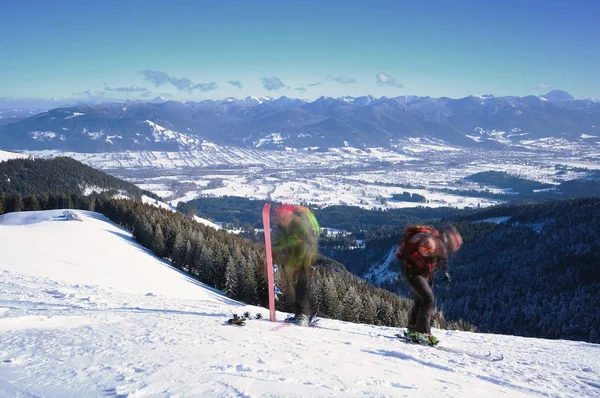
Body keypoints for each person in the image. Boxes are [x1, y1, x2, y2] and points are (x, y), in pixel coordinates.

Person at [395, 225, 462, 345]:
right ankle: (422, 332)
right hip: (414, 273)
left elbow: (442, 259)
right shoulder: (432, 242)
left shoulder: (438, 244)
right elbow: (423, 254)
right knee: (428, 299)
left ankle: (413, 329)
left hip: (415, 272)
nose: (450, 251)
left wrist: (444, 272)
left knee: (421, 299)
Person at [272, 204, 320, 326]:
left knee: (300, 288)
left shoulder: (299, 224)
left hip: (303, 260)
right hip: (296, 261)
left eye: (282, 216)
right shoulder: (287, 226)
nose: (280, 219)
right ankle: (302, 315)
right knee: (297, 288)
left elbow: (306, 239)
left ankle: (302, 317)